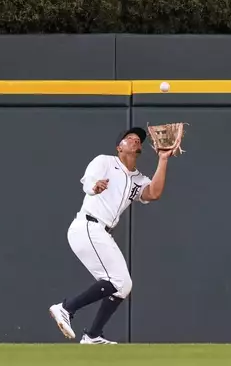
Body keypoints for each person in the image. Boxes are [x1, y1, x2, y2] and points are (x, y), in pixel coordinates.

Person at [49, 126, 177, 344]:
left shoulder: (137, 179)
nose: (135, 140)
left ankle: (93, 335)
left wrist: (163, 159)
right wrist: (94, 186)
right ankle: (65, 308)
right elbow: (88, 180)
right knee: (118, 280)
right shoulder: (105, 162)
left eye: (138, 140)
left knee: (123, 285)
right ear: (119, 147)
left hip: (101, 232)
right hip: (87, 226)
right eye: (129, 138)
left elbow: (153, 192)